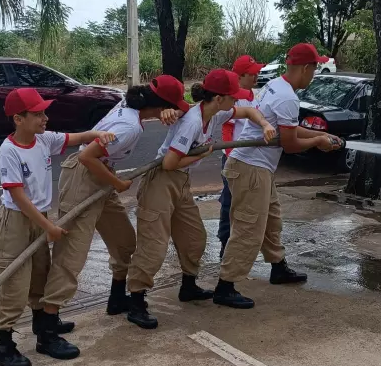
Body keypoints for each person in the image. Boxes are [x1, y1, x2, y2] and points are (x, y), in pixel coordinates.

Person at [125, 69, 277, 329]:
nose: (236, 102)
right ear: (218, 98)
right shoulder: (193, 121)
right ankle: (136, 302)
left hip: (181, 182)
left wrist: (265, 124)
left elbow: (249, 111)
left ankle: (189, 287)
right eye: (232, 97)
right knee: (154, 245)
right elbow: (171, 162)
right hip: (162, 180)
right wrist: (202, 154)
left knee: (194, 238)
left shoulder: (215, 114)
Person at [39, 76, 188, 333]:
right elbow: (87, 156)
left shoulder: (130, 107)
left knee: (124, 243)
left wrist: (170, 111)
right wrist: (116, 183)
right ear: (159, 105)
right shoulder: (130, 126)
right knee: (72, 253)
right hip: (84, 178)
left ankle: (118, 298)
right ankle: (48, 324)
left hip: (101, 176)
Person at [0, 87, 117, 366]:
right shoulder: (9, 151)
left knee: (40, 277)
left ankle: (45, 334)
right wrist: (48, 226)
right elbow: (19, 197)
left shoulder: (42, 140)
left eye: (44, 112)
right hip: (16, 221)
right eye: (37, 114)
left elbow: (75, 138)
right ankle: (5, 347)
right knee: (13, 283)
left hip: (39, 217)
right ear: (18, 119)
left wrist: (96, 135)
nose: (44, 118)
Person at [212, 43, 343, 309]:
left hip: (256, 168)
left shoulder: (275, 86)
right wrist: (318, 139)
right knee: (249, 228)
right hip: (251, 169)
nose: (314, 74)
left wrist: (322, 136)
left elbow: (289, 132)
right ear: (306, 68)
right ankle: (225, 286)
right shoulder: (287, 98)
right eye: (315, 68)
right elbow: (291, 144)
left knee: (271, 220)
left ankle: (278, 267)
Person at [218, 55, 266, 258]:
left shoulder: (252, 95)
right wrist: (232, 158)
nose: (257, 75)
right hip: (234, 158)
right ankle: (225, 245)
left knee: (245, 203)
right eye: (252, 72)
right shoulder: (232, 97)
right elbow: (227, 132)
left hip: (250, 159)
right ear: (240, 75)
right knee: (230, 202)